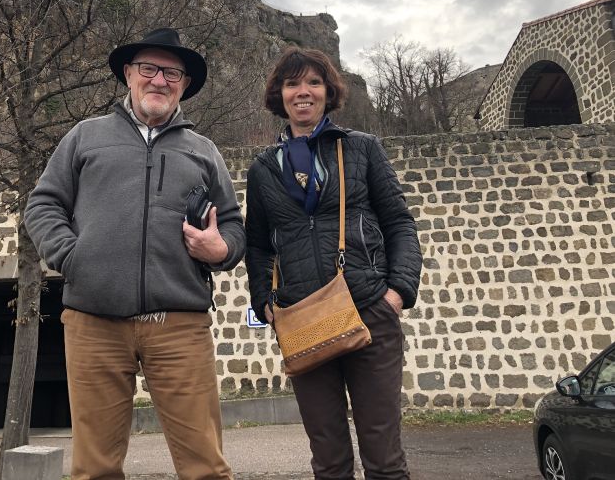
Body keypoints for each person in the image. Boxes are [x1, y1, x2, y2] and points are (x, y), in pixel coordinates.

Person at [25, 27, 245, 480]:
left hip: (179, 324)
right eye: (149, 69)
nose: (159, 81)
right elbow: (43, 203)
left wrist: (220, 247)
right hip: (93, 321)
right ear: (129, 74)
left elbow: (234, 228)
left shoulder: (204, 152)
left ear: (184, 84)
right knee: (94, 469)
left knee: (206, 466)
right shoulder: (85, 137)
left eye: (172, 73)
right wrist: (71, 256)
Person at [244, 46, 421, 480]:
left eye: (313, 83)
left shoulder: (362, 149)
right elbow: (257, 245)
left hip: (369, 311)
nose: (302, 92)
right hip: (303, 318)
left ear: (328, 92)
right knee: (328, 459)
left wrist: (397, 292)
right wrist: (265, 300)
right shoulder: (264, 168)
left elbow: (400, 222)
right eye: (292, 84)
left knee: (384, 458)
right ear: (279, 96)